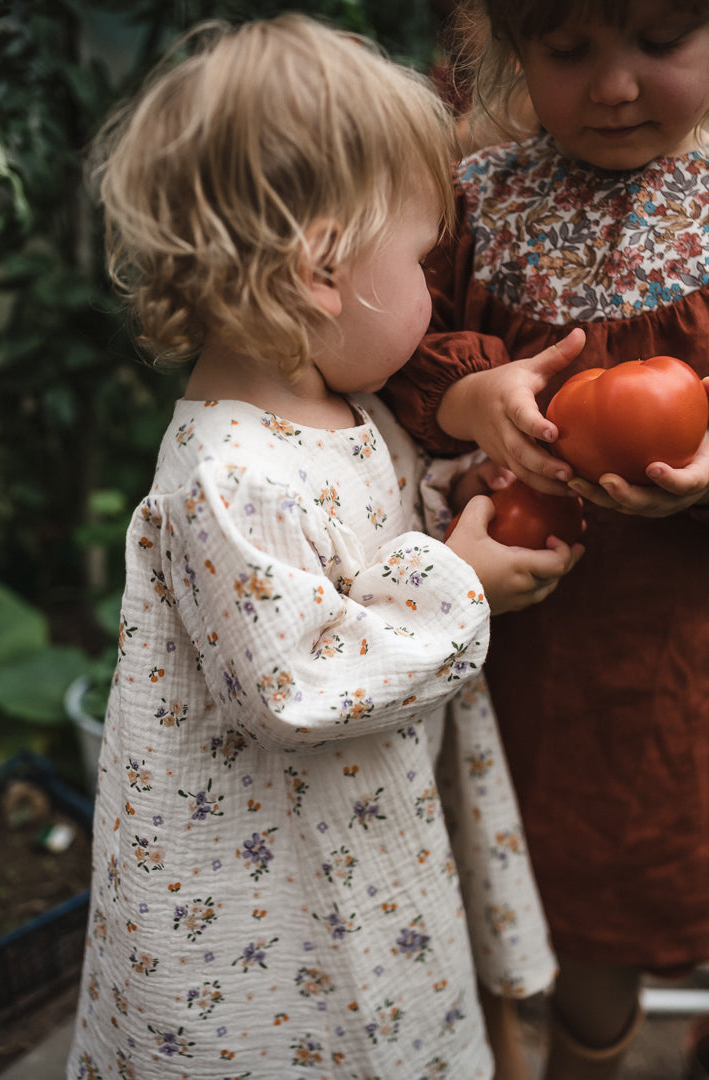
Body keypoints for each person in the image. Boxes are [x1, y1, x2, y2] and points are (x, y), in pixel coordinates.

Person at [65, 15, 584, 1079]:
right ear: (322, 267)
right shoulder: (226, 476)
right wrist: (460, 582)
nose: (435, 285)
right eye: (421, 258)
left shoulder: (340, 408)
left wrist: (457, 505)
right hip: (265, 913)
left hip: (365, 846)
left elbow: (367, 538)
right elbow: (295, 679)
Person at [383, 0, 709, 1076]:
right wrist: (470, 397)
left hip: (685, 628)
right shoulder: (472, 204)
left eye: (658, 44)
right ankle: (586, 1058)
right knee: (576, 875)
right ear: (514, 52)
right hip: (546, 642)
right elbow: (393, 344)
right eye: (570, 51)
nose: (614, 85)